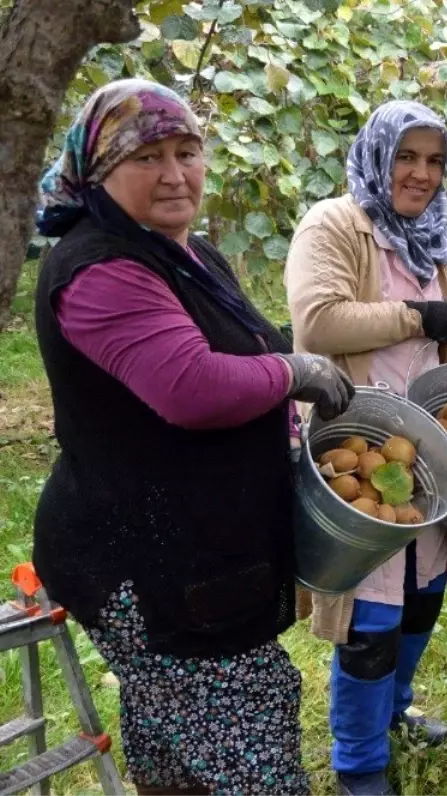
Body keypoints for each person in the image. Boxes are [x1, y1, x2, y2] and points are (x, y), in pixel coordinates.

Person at [31, 79, 353, 796]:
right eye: (148, 157)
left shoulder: (185, 253)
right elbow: (191, 388)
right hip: (146, 564)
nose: (176, 174)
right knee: (248, 742)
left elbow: (227, 358)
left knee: (174, 741)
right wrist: (294, 370)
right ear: (99, 172)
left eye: (188, 151)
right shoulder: (101, 269)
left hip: (196, 550)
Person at [285, 100, 447, 796]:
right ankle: (359, 763)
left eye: (434, 160)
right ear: (378, 154)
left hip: (424, 449)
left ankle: (396, 713)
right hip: (357, 445)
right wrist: (416, 316)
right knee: (370, 609)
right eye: (407, 156)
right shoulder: (336, 224)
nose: (421, 174)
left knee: (422, 589)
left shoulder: (436, 237)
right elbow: (317, 319)